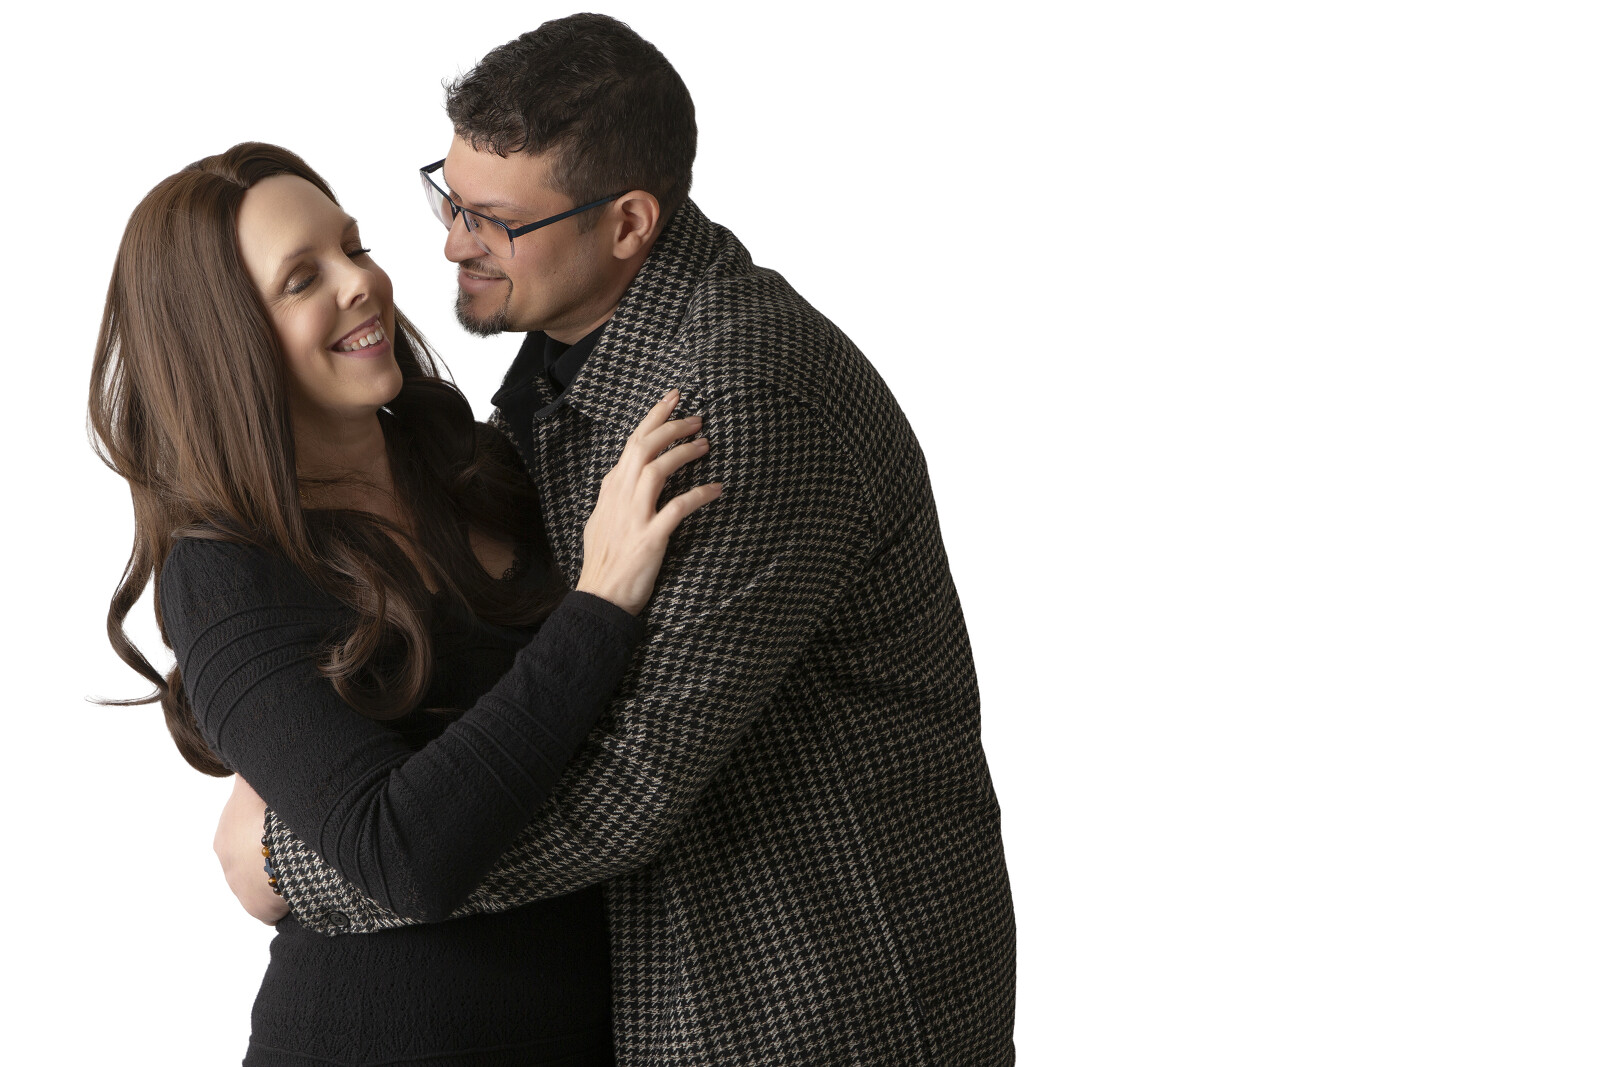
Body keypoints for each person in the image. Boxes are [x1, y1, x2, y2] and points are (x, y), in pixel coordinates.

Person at [224, 12, 1018, 1065]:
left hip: (818, 1008)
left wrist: (300, 858)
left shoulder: (732, 402)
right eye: (448, 197)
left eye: (494, 220)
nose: (451, 242)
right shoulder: (566, 392)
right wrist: (313, 765)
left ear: (628, 224)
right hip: (680, 995)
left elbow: (620, 788)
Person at [89, 141, 721, 1065]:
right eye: (302, 278)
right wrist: (597, 606)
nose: (362, 282)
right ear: (222, 343)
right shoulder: (223, 571)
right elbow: (405, 857)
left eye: (353, 246)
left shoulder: (476, 461)